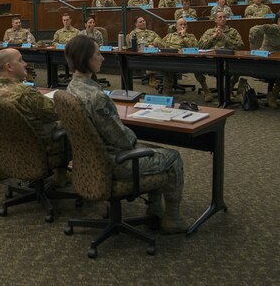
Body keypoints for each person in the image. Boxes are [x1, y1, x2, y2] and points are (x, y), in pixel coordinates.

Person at [64, 35, 188, 233]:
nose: (103, 58)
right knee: (172, 157)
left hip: (88, 160)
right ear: (85, 59)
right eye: (98, 54)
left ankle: (154, 210)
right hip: (114, 162)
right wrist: (131, 133)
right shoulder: (97, 98)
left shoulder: (70, 88)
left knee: (153, 150)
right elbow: (123, 140)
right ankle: (172, 219)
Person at [0, 48, 69, 184]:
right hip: (39, 145)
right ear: (9, 67)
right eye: (20, 60)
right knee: (72, 124)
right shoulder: (26, 92)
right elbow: (54, 113)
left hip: (10, 146)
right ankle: (61, 175)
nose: (25, 64)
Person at [159, 18, 211, 101]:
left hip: (188, 60)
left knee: (198, 69)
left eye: (185, 24)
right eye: (181, 24)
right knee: (166, 68)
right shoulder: (170, 36)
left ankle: (206, 91)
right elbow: (162, 45)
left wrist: (184, 36)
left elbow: (195, 48)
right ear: (176, 26)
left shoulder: (190, 36)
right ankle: (167, 93)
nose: (183, 26)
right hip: (172, 59)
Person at [199, 11, 244, 94]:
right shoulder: (209, 32)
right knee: (197, 66)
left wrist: (225, 38)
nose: (223, 19)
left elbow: (240, 46)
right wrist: (213, 37)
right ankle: (207, 92)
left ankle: (229, 90)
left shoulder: (232, 31)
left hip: (229, 61)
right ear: (215, 20)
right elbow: (201, 46)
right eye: (220, 17)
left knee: (238, 68)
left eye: (224, 17)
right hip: (212, 62)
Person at [126, 16, 162, 87]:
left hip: (154, 51)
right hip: (140, 54)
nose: (143, 22)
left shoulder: (151, 32)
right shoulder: (133, 33)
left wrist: (154, 43)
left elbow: (159, 39)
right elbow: (137, 43)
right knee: (150, 54)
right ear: (136, 24)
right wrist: (149, 45)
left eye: (144, 21)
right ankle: (152, 77)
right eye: (140, 21)